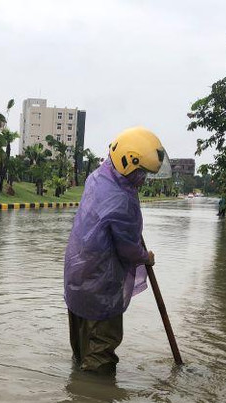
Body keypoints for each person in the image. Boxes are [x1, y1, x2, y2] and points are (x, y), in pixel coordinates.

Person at [64, 126, 166, 373]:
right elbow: (128, 249)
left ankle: (77, 396)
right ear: (128, 164)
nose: (142, 179)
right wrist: (146, 258)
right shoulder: (122, 200)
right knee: (100, 357)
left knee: (81, 348)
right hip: (100, 284)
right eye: (141, 172)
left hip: (77, 277)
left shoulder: (98, 176)